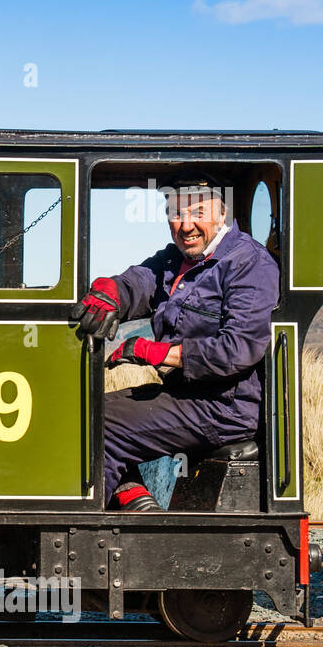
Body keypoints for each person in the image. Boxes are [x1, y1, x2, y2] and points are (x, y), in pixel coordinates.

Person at [70, 177, 281, 510]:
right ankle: (134, 500)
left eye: (198, 212)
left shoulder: (248, 263)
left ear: (221, 213)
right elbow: (136, 283)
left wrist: (156, 353)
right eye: (175, 214)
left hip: (223, 406)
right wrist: (110, 291)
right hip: (183, 395)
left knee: (102, 426)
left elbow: (238, 349)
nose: (186, 225)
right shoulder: (173, 260)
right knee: (86, 410)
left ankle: (82, 522)